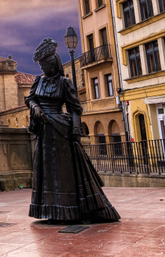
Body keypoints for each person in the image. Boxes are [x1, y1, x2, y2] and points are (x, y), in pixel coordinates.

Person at [26, 37, 119, 223]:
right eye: (41, 65)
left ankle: (67, 209)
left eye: (45, 65)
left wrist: (76, 129)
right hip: (43, 132)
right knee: (45, 172)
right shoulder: (39, 82)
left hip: (60, 132)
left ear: (53, 63)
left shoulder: (64, 83)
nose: (43, 69)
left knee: (63, 172)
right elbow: (29, 99)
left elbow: (75, 108)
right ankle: (50, 209)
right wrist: (36, 108)